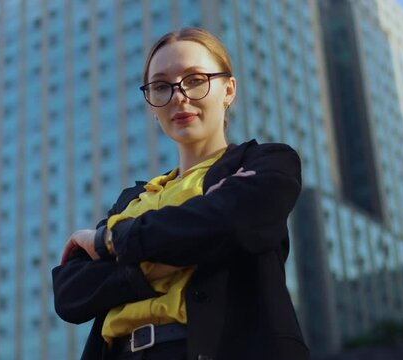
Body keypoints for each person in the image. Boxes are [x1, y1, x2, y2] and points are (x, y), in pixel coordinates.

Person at [52, 27, 310, 360]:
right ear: (150, 104)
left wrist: (110, 242)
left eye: (195, 79)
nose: (178, 96)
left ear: (228, 90)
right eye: (161, 86)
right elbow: (70, 292)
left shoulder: (266, 162)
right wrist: (154, 262)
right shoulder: (133, 199)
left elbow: (231, 221)